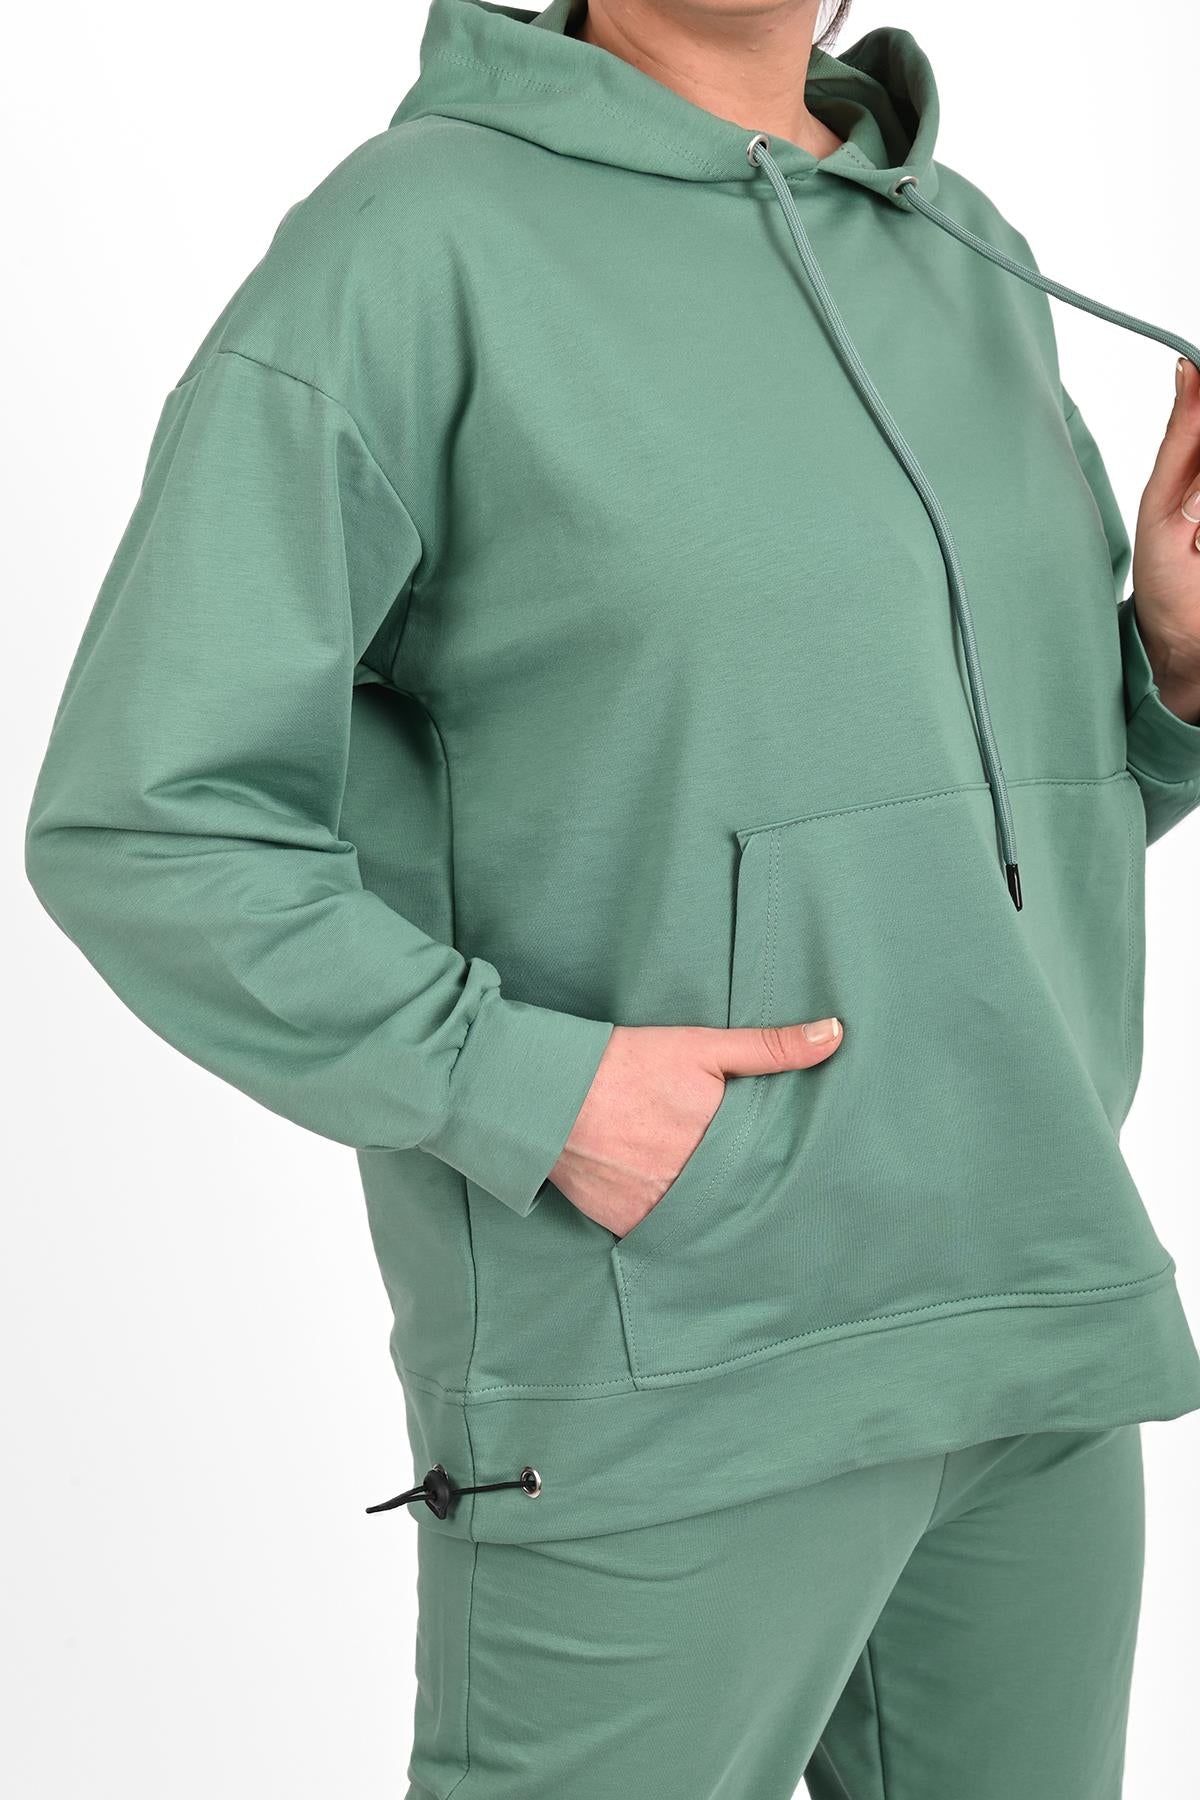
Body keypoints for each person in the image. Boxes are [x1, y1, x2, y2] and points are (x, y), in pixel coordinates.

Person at [24, 0, 1200, 1793]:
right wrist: (529, 1086)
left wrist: (1171, 682)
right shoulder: (411, 243)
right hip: (672, 1367)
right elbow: (146, 818)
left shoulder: (965, 249)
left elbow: (989, 819)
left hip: (1032, 1332)